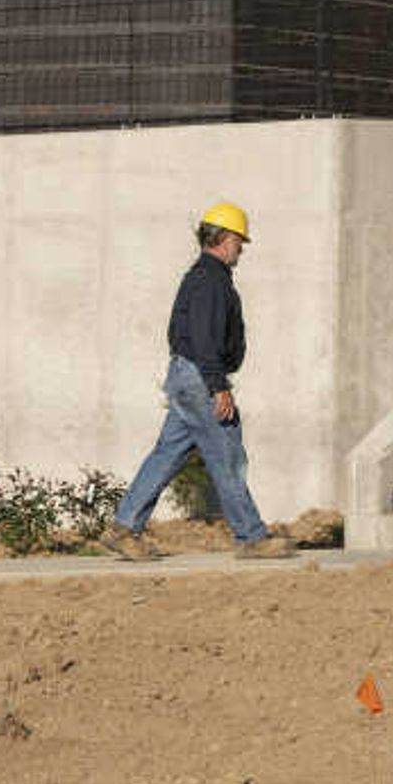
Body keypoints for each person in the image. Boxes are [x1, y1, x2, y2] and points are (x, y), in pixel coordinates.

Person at [102, 202, 294, 560]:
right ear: (225, 238)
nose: (242, 249)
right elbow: (205, 335)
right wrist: (217, 385)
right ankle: (251, 537)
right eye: (240, 241)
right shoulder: (211, 279)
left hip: (187, 375)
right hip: (200, 377)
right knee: (227, 455)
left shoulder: (201, 276)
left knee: (168, 454)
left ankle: (125, 527)